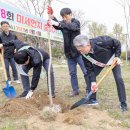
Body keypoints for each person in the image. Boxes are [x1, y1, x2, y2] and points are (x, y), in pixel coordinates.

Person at [73, 34, 128, 112]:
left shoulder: (102, 41)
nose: (80, 52)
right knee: (90, 77)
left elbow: (117, 43)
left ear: (87, 45)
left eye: (81, 50)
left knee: (119, 78)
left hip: (113, 60)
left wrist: (117, 56)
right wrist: (93, 82)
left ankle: (123, 103)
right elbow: (90, 69)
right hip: (100, 63)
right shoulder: (84, 55)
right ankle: (92, 99)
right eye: (79, 50)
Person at [47, 7, 88, 96]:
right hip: (69, 54)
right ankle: (75, 90)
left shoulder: (76, 22)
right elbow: (57, 25)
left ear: (70, 14)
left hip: (79, 52)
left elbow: (72, 27)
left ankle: (89, 89)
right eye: (63, 17)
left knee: (85, 71)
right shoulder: (63, 24)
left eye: (66, 16)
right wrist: (52, 17)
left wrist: (59, 24)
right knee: (72, 73)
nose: (65, 19)